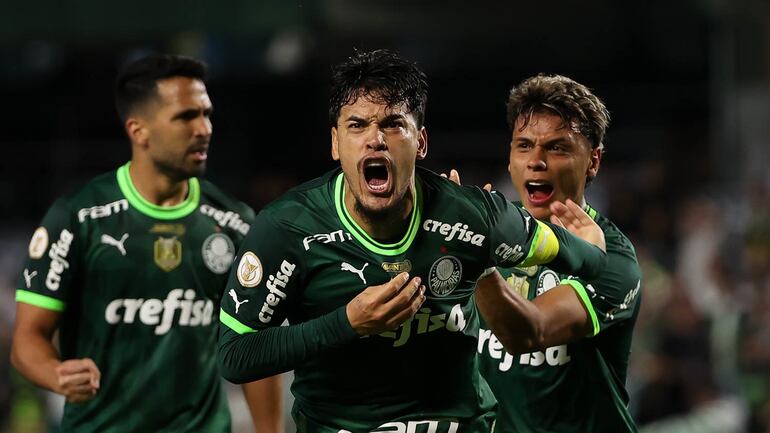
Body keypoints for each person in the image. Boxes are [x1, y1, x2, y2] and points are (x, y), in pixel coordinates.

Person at [217, 49, 608, 433]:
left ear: (420, 142)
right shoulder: (288, 226)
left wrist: (592, 245)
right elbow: (234, 356)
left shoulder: (474, 216)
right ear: (335, 143)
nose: (375, 140)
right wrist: (346, 324)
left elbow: (580, 255)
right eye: (357, 125)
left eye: (392, 124)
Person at [11, 54, 282, 433]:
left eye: (206, 114)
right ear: (139, 131)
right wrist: (56, 373)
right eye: (186, 116)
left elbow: (254, 345)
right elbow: (28, 337)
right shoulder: (77, 218)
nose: (204, 128)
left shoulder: (235, 224)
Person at [473, 74, 643, 432]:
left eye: (557, 147)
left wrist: (473, 258)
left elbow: (526, 334)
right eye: (524, 145)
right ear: (509, 158)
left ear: (593, 161)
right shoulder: (493, 235)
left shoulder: (611, 258)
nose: (536, 161)